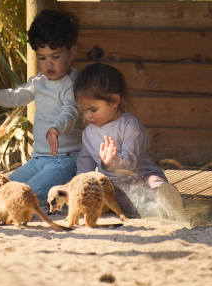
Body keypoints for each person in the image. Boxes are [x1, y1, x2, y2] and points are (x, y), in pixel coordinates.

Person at [0, 10, 82, 201]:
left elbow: (70, 111)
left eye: (55, 57)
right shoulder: (38, 82)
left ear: (72, 51)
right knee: (3, 187)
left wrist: (56, 128)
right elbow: (13, 97)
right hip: (37, 160)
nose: (48, 64)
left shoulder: (73, 84)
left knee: (26, 194)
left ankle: (65, 192)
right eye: (42, 58)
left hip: (64, 161)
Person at [73, 47, 184, 219]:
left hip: (141, 177)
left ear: (114, 101)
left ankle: (167, 200)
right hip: (114, 187)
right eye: (83, 110)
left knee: (153, 183)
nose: (87, 116)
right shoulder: (88, 134)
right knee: (111, 196)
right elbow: (84, 165)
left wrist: (112, 162)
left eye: (93, 109)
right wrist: (81, 186)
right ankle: (152, 210)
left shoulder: (130, 126)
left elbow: (131, 163)